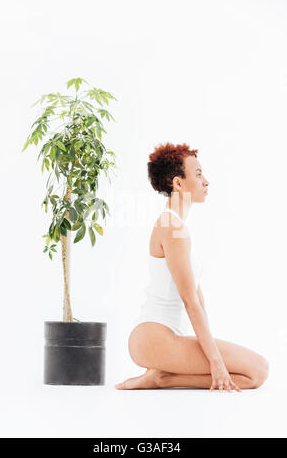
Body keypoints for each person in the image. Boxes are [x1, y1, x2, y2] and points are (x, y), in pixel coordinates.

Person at [115, 142, 269, 392]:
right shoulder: (172, 229)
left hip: (168, 337)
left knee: (254, 374)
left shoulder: (178, 228)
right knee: (258, 371)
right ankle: (160, 378)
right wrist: (216, 361)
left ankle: (162, 378)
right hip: (153, 337)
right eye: (198, 174)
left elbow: (198, 300)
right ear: (178, 183)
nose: (206, 181)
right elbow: (190, 302)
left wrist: (212, 354)